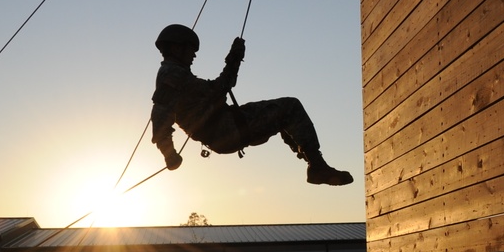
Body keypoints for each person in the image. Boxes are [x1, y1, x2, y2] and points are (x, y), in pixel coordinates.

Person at [150, 24, 353, 186]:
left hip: (225, 128)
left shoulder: (176, 75)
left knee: (283, 115)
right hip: (227, 129)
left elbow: (213, 90)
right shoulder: (172, 75)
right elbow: (162, 118)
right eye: (190, 50)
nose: (193, 55)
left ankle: (312, 160)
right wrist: (234, 59)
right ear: (176, 48)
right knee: (291, 107)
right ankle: (316, 165)